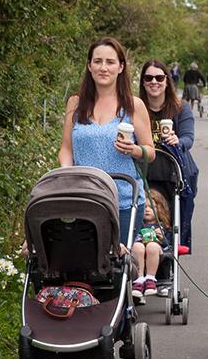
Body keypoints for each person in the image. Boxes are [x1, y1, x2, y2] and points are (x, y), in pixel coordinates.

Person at [59, 37, 154, 247]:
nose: (103, 68)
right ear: (89, 66)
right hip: (84, 196)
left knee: (116, 265)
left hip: (124, 200)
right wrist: (65, 173)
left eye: (110, 62)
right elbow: (66, 149)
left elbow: (150, 151)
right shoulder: (75, 103)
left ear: (120, 67)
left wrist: (135, 150)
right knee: (83, 262)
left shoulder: (133, 105)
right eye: (98, 61)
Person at [138, 59, 199, 250]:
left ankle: (170, 242)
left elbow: (188, 138)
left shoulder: (180, 108)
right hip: (144, 167)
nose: (154, 82)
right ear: (143, 82)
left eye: (159, 77)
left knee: (174, 203)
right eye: (148, 78)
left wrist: (177, 141)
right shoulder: (136, 108)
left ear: (167, 80)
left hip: (172, 168)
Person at [131, 188, 171, 299]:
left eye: (151, 207)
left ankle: (150, 279)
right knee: (137, 246)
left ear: (159, 209)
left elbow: (169, 244)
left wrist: (162, 238)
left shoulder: (163, 226)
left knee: (152, 246)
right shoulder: (137, 224)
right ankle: (138, 280)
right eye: (144, 207)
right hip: (138, 249)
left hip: (156, 249)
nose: (147, 210)